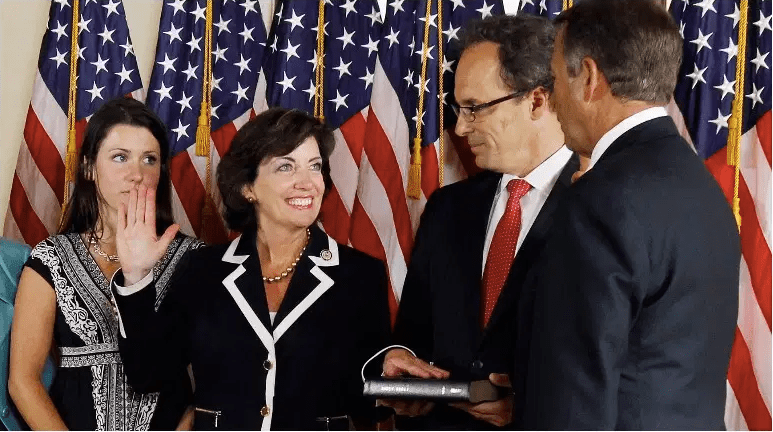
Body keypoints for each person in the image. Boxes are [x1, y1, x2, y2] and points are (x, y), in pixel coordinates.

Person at [518, 0, 741, 429]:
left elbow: (575, 399)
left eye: (556, 78)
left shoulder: (598, 199)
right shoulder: (705, 191)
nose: (553, 99)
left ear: (589, 77)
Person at [110, 107, 392, 430]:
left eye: (314, 167)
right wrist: (135, 276)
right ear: (248, 188)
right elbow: (148, 374)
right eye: (286, 166)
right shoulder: (203, 270)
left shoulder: (360, 277)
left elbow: (374, 403)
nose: (307, 183)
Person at [380, 15, 580, 429]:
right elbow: (412, 333)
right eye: (459, 108)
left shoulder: (599, 204)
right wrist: (399, 364)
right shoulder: (447, 208)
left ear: (538, 101)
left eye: (475, 108)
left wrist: (529, 407)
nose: (459, 127)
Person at [9, 97, 200, 430]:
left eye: (149, 160)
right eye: (120, 157)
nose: (137, 174)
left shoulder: (194, 259)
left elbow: (219, 374)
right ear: (89, 168)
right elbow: (24, 381)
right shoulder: (51, 259)